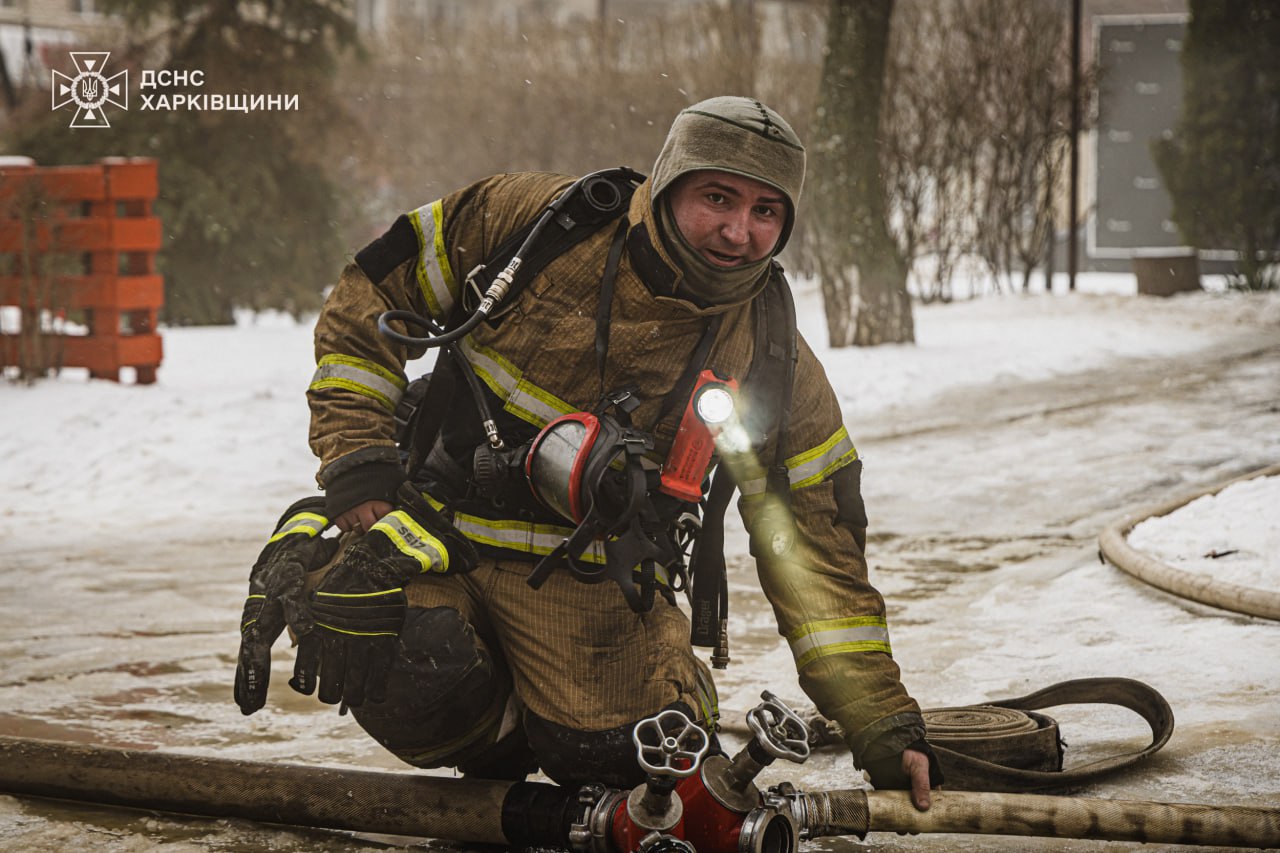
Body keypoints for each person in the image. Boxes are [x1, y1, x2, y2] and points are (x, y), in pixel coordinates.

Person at [234, 96, 941, 808]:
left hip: (596, 590)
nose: (738, 232)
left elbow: (817, 552)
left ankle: (602, 707)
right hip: (437, 545)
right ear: (667, 183)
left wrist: (881, 721)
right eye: (718, 197)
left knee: (626, 760)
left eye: (767, 211)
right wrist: (358, 470)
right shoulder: (531, 225)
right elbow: (369, 298)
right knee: (401, 651)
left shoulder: (772, 356)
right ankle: (500, 729)